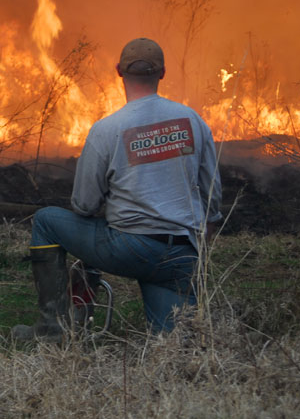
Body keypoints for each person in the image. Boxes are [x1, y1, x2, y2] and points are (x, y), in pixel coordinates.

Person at [17, 38, 222, 337]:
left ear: (119, 72)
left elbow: (84, 205)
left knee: (47, 220)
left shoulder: (107, 129)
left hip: (130, 250)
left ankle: (54, 329)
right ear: (163, 73)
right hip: (181, 256)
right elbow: (212, 192)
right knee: (174, 344)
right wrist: (207, 228)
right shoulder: (193, 121)